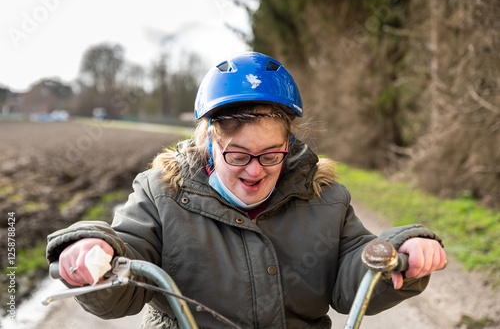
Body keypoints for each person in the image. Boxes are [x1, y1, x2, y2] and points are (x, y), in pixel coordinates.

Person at [46, 52, 446, 328]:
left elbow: (353, 278)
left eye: (271, 154)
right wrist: (95, 253)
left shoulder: (325, 200)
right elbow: (127, 272)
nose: (255, 171)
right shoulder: (161, 195)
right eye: (238, 154)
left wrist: (401, 252)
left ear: (289, 144)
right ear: (209, 143)